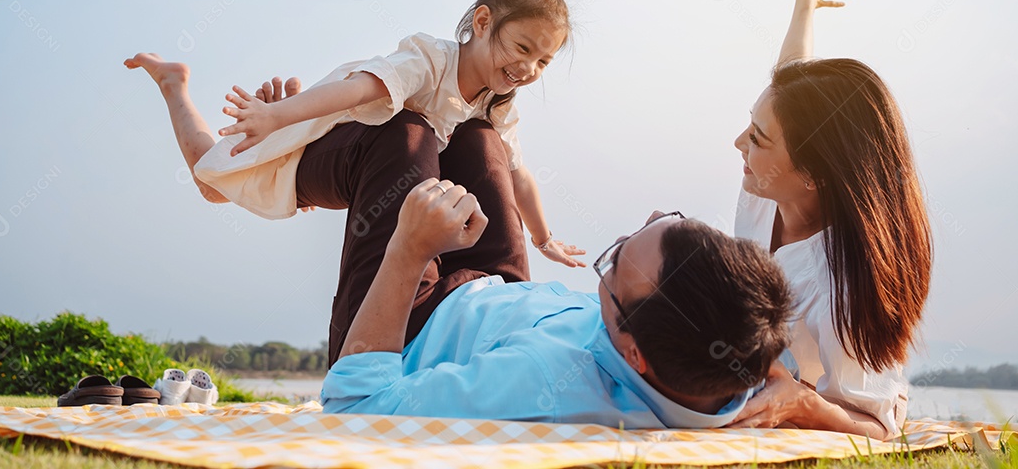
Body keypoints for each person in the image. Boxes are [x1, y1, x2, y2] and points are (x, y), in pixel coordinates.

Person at [126, 0, 585, 362]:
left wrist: (543, 238)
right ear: (483, 22)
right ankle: (174, 85)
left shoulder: (496, 102)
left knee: (476, 140)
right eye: (522, 47)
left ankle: (478, 318)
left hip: (387, 171)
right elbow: (361, 88)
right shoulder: (431, 61)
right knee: (213, 182)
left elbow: (517, 174)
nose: (529, 68)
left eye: (543, 61)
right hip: (332, 145)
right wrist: (277, 116)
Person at [319, 175, 794, 428]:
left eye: (613, 263)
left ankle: (283, 166)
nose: (628, 233)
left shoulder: (540, 382)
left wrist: (408, 249)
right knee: (480, 129)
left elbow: (356, 407)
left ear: (634, 354)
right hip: (501, 291)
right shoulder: (736, 357)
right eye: (666, 221)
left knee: (406, 135)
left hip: (415, 317)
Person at [729, 0, 934, 439]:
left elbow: (878, 424)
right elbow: (792, 81)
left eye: (757, 138)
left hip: (844, 397)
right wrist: (805, 4)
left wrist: (802, 404)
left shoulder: (843, 288)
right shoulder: (775, 179)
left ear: (814, 174)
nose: (738, 143)